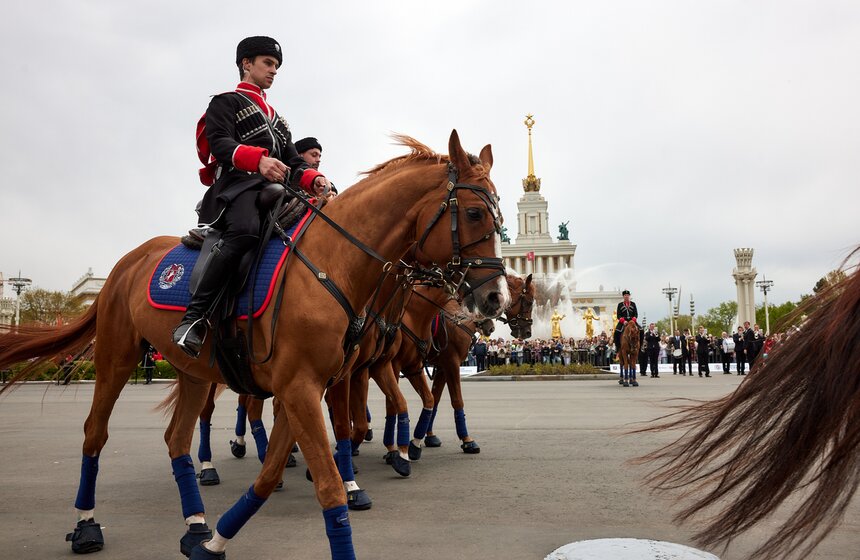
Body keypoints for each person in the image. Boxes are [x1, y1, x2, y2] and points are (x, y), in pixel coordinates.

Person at [173, 36, 331, 357]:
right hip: (236, 187)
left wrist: (312, 178)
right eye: (268, 64)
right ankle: (194, 318)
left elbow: (294, 161)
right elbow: (220, 144)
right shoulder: (225, 102)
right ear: (247, 63)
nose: (274, 71)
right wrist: (258, 160)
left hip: (276, 190)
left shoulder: (277, 118)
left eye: (276, 66)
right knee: (244, 232)